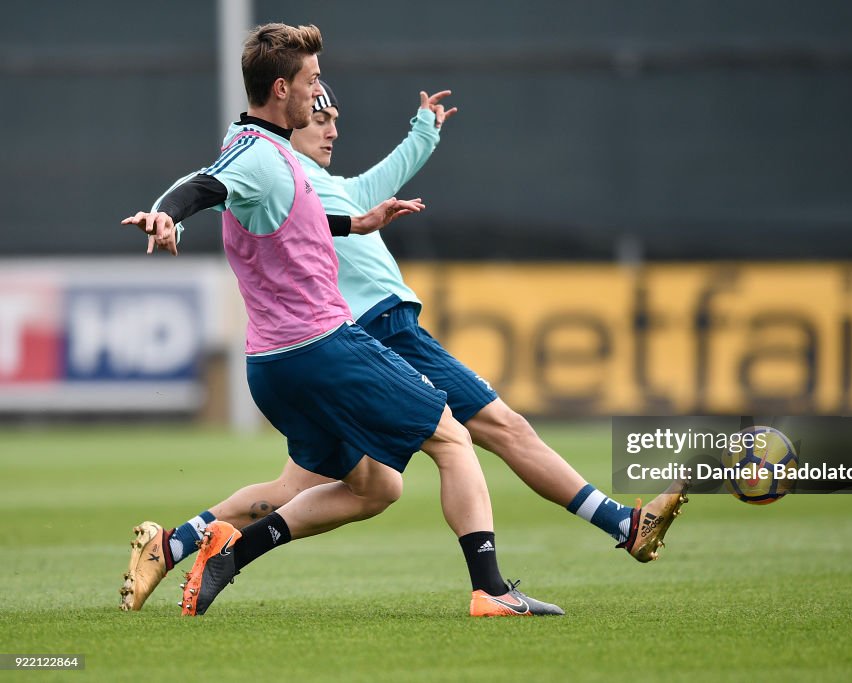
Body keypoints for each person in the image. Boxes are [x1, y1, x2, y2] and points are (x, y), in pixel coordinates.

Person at [121, 73, 689, 615]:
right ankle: (605, 532)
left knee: (354, 487)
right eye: (319, 115)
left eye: (333, 117)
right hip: (374, 331)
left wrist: (422, 133)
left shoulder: (305, 180)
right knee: (490, 430)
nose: (331, 128)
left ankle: (182, 547)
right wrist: (167, 215)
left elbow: (350, 196)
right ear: (287, 116)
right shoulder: (276, 166)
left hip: (328, 346)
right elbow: (213, 185)